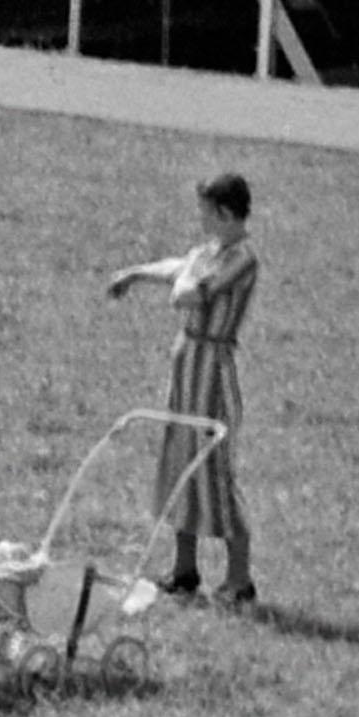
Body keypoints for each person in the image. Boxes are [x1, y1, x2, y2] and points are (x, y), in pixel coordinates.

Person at [105, 173, 261, 604]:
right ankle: (184, 568)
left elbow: (191, 293)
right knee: (179, 464)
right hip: (186, 368)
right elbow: (180, 268)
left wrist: (183, 282)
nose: (202, 219)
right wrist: (135, 273)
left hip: (212, 372)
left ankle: (239, 579)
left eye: (207, 211)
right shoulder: (211, 251)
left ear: (225, 213)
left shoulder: (242, 258)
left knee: (213, 469)